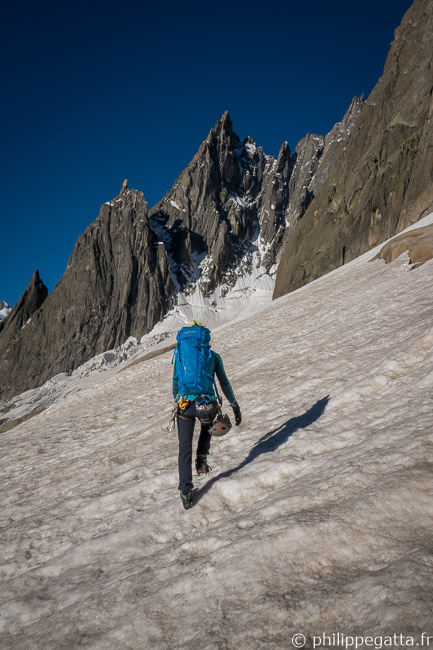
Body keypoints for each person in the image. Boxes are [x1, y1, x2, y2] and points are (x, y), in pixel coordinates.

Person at [172, 321, 242, 509]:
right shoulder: (213, 356)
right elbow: (224, 383)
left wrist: (178, 402)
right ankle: (201, 461)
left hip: (185, 404)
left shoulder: (180, 354)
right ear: (205, 340)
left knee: (184, 447)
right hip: (206, 404)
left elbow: (175, 383)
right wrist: (234, 405)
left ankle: (186, 492)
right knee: (207, 427)